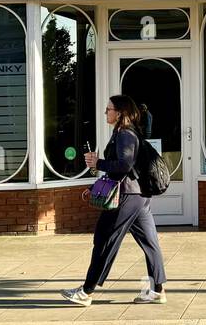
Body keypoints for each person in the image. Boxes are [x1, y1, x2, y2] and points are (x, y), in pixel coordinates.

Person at [61, 94, 167, 306]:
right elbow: (121, 169)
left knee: (104, 240)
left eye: (108, 109)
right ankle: (157, 290)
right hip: (139, 197)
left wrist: (98, 162)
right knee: (150, 242)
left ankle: (86, 292)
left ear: (120, 113)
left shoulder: (125, 135)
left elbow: (124, 166)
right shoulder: (125, 133)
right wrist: (95, 183)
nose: (105, 112)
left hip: (127, 197)